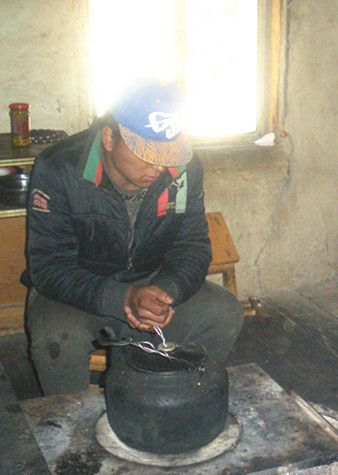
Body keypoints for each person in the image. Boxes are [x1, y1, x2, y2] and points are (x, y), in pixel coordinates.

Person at [22, 80, 244, 395]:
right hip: (78, 290)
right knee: (55, 338)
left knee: (224, 313)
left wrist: (166, 291)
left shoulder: (182, 169)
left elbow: (192, 247)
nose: (160, 165)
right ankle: (70, 418)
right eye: (146, 152)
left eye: (167, 152)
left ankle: (174, 399)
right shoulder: (59, 168)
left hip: (151, 279)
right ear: (109, 138)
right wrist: (123, 298)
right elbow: (49, 267)